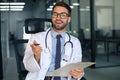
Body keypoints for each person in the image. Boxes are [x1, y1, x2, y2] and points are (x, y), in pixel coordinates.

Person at [23, 1, 85, 80]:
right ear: (52, 16)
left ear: (69, 19)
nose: (58, 18)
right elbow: (28, 67)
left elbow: (78, 68)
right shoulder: (36, 38)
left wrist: (77, 74)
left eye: (63, 15)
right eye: (55, 14)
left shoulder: (75, 42)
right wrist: (36, 56)